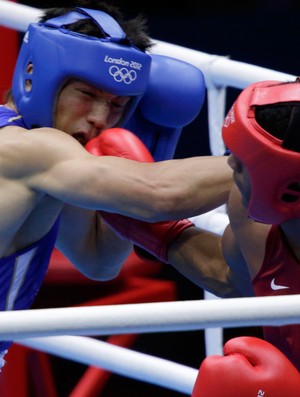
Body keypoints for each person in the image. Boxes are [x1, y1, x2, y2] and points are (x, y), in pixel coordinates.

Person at [0, 0, 233, 370]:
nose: (99, 119)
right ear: (34, 72)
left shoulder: (46, 155)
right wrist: (268, 149)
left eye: (117, 105)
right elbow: (161, 195)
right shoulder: (31, 149)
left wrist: (144, 153)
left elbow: (99, 260)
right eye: (87, 95)